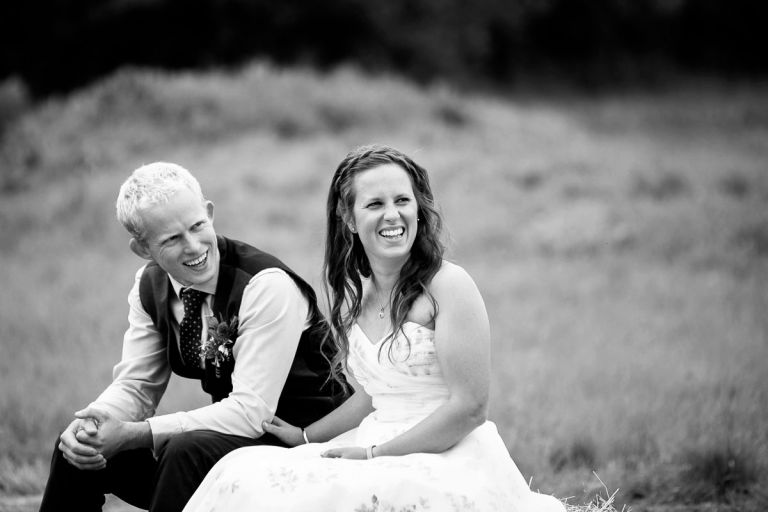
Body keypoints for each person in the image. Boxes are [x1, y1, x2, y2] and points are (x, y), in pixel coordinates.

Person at [183, 145, 566, 512]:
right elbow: (371, 395)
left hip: (446, 451)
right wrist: (306, 437)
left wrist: (375, 455)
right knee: (240, 473)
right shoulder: (356, 296)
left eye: (402, 200)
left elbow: (469, 409)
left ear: (419, 209)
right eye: (375, 204)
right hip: (373, 437)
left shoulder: (450, 286)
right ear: (349, 219)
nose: (393, 216)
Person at [39, 162, 348, 512]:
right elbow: (136, 385)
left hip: (305, 444)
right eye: (171, 239)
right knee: (77, 450)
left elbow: (250, 412)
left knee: (184, 450)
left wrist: (135, 433)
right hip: (236, 443)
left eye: (198, 226)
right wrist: (93, 423)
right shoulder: (150, 287)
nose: (193, 246)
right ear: (143, 248)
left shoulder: (266, 285)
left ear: (210, 213)